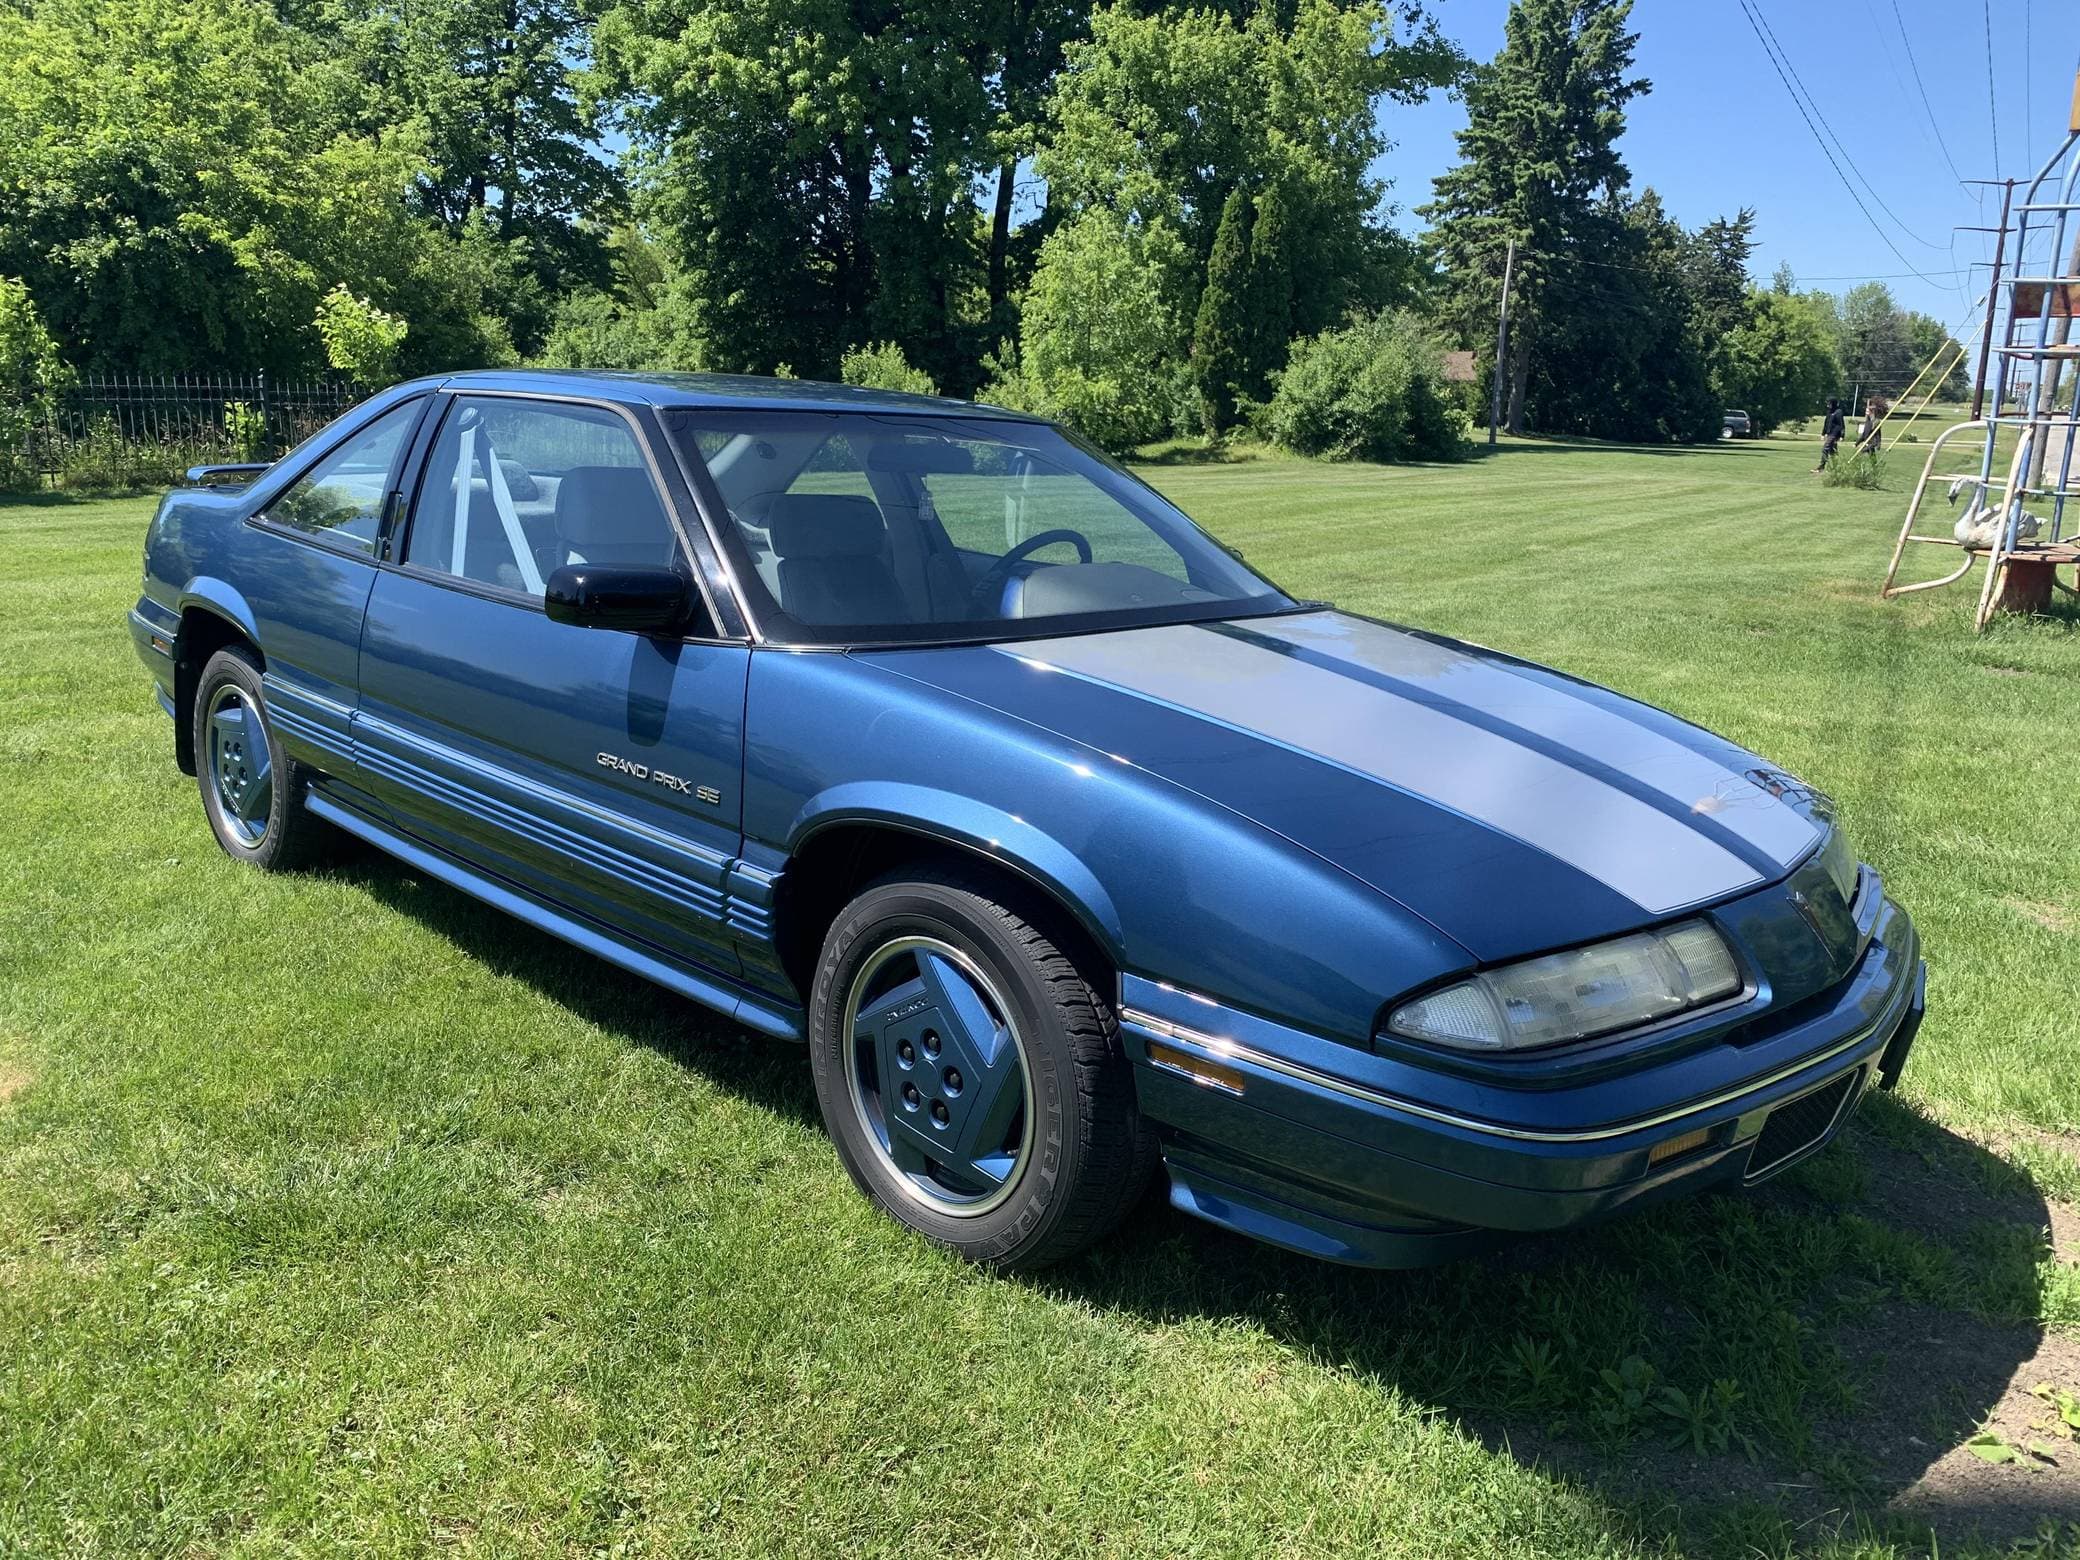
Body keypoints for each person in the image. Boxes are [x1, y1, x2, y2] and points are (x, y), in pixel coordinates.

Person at [1815, 397, 1845, 471]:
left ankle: (1821, 468)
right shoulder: (1829, 412)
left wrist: (1842, 435)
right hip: (1829, 433)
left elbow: (1841, 424)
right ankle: (1836, 468)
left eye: (1829, 404)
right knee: (1832, 451)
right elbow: (1826, 423)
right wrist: (1823, 433)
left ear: (1833, 403)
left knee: (1825, 449)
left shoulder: (1838, 412)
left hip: (1834, 434)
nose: (1828, 405)